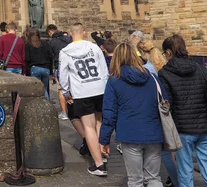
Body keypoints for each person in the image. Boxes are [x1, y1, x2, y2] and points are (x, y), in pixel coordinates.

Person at [159, 34, 207, 187]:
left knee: (185, 174)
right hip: (206, 127)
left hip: (183, 129)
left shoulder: (164, 73)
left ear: (169, 52)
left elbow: (166, 102)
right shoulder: (200, 68)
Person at [99, 43, 166, 187]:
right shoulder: (152, 77)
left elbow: (109, 114)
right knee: (154, 178)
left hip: (129, 134)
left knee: (135, 181)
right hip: (153, 132)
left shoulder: (114, 80)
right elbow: (165, 101)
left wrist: (104, 140)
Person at [59, 23, 109, 177]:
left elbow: (63, 75)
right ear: (84, 33)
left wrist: (66, 92)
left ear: (70, 34)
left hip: (81, 91)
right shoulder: (94, 47)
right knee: (98, 122)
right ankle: (102, 152)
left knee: (88, 127)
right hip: (99, 88)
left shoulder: (65, 52)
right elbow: (104, 69)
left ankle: (99, 164)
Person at [138, 39, 178, 187]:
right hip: (171, 109)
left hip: (159, 111)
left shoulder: (147, 69)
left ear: (142, 53)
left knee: (166, 152)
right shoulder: (165, 64)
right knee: (174, 152)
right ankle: (177, 179)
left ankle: (177, 181)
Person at [47, 24, 72, 121]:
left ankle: (64, 112)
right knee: (72, 87)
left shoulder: (52, 42)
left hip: (59, 67)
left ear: (50, 31)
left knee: (61, 89)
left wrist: (52, 73)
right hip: (71, 65)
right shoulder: (68, 39)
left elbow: (51, 57)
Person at [25, 27, 53, 99]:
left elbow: (27, 59)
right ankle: (47, 105)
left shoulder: (28, 45)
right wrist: (51, 72)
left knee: (36, 90)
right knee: (45, 89)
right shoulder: (45, 43)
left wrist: (27, 72)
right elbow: (50, 56)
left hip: (34, 68)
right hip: (45, 69)